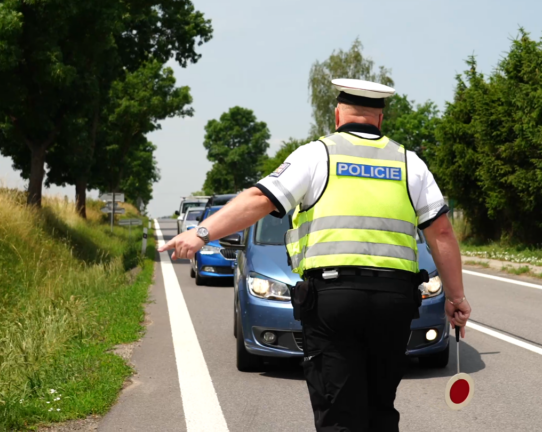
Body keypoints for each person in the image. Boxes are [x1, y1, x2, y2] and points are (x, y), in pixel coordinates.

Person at [159, 78, 472, 432]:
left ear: (338, 114)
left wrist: (201, 233)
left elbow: (260, 200)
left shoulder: (317, 154)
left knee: (339, 411)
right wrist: (456, 297)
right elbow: (441, 233)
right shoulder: (409, 163)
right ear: (380, 119)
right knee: (380, 407)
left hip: (333, 301)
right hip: (395, 303)